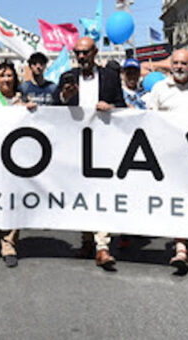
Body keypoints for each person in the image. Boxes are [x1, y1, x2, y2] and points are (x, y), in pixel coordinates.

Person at [56, 36, 124, 270]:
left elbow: (121, 106)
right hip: (75, 144)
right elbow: (55, 108)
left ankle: (102, 247)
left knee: (100, 191)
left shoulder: (110, 77)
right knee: (81, 192)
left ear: (95, 52)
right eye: (78, 53)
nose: (81, 57)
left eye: (85, 52)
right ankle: (87, 239)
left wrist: (111, 108)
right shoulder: (68, 77)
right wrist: (65, 95)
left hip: (103, 143)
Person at [143, 48, 188, 273]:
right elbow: (149, 119)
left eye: (184, 63)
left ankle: (186, 242)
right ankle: (181, 247)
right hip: (170, 155)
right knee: (178, 198)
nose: (179, 67)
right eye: (176, 63)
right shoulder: (159, 88)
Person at [0, 61, 36, 267]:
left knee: (14, 199)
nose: (6, 79)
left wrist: (30, 110)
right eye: (1, 76)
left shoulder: (22, 100)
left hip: (17, 159)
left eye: (9, 75)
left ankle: (9, 242)